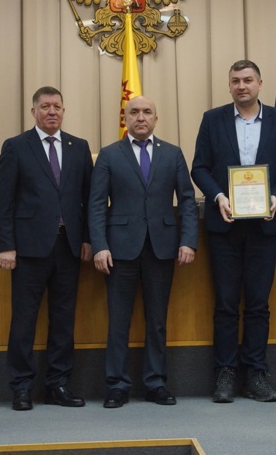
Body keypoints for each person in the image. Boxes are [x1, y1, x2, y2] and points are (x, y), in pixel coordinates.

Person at [191, 59, 276, 403]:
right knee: (225, 303)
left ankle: (256, 373)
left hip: (264, 227)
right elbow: (200, 168)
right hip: (224, 226)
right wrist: (219, 196)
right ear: (229, 85)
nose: (242, 86)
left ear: (260, 83)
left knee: (257, 304)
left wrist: (275, 198)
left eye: (248, 80)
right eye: (236, 80)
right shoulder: (213, 119)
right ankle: (225, 374)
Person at [89, 96, 198, 408]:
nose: (140, 117)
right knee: (118, 320)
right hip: (119, 250)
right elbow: (97, 204)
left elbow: (188, 200)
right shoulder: (110, 154)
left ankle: (155, 383)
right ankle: (117, 385)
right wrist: (100, 245)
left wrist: (188, 240)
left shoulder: (173, 154)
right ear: (125, 117)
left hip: (162, 249)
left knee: (157, 320)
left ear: (156, 118)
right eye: (134, 112)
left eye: (146, 112)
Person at [0, 86, 93, 411]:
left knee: (63, 320)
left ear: (64, 111)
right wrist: (6, 246)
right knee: (24, 319)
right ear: (33, 111)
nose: (52, 111)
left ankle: (58, 385)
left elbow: (89, 199)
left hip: (69, 247)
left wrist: (89, 239)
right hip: (28, 249)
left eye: (57, 106)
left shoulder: (79, 147)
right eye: (45, 106)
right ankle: (21, 387)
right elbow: (3, 201)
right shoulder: (16, 147)